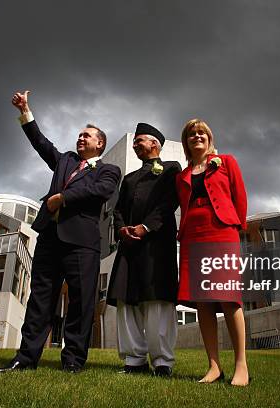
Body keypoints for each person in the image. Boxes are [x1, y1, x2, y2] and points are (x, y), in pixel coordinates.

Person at [0, 90, 121, 374]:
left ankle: (74, 360)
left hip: (82, 243)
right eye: (79, 135)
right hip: (50, 238)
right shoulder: (64, 160)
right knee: (40, 299)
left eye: (86, 135)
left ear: (99, 143)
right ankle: (25, 358)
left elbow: (100, 191)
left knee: (80, 302)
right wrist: (26, 111)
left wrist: (63, 198)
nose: (80, 138)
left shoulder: (109, 170)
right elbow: (40, 143)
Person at [175, 118, 249, 386]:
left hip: (222, 231)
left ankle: (241, 365)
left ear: (209, 137)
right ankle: (214, 367)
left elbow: (240, 197)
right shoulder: (181, 176)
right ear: (186, 142)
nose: (197, 136)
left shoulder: (227, 161)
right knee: (203, 302)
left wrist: (237, 227)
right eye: (191, 134)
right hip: (193, 235)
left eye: (201, 132)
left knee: (229, 298)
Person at [107, 123, 181, 377]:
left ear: (155, 144)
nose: (135, 144)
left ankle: (162, 362)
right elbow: (117, 211)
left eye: (139, 140)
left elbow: (168, 202)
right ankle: (134, 360)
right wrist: (122, 229)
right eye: (134, 141)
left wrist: (146, 227)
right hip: (129, 246)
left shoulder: (172, 169)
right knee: (126, 301)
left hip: (157, 245)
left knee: (157, 301)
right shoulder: (128, 179)